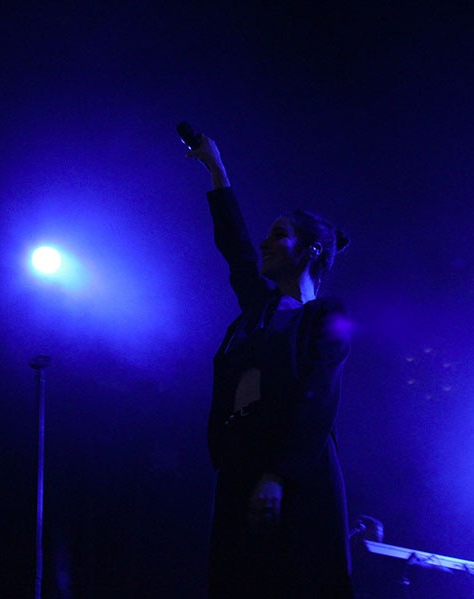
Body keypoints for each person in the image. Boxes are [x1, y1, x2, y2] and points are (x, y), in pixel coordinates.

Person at [186, 133, 354, 598]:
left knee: (296, 579)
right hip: (241, 463)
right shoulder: (259, 312)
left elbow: (318, 399)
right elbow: (237, 249)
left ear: (312, 249)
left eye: (280, 234)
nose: (265, 242)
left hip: (296, 470)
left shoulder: (326, 316)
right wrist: (217, 170)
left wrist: (278, 475)